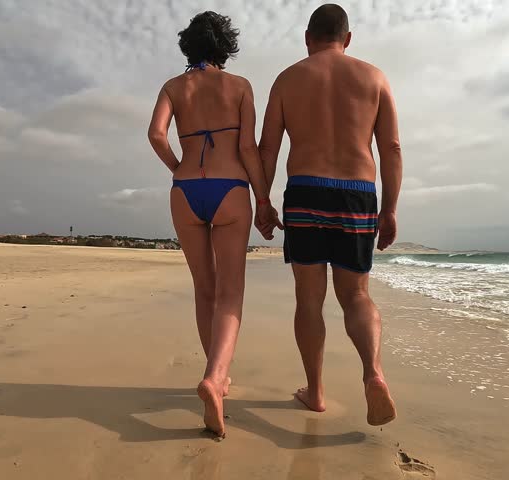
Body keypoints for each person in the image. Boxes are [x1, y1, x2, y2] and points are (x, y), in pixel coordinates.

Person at [257, 3, 402, 426]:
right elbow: (391, 148)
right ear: (348, 38)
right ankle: (373, 372)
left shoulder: (287, 79)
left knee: (309, 299)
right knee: (356, 296)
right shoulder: (374, 78)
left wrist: (262, 202)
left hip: (305, 191)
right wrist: (390, 208)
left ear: (307, 39)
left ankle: (316, 392)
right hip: (358, 193)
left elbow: (268, 148)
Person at [147, 11, 280, 437]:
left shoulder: (174, 87)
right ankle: (215, 377)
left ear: (188, 46)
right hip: (230, 189)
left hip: (185, 191)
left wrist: (178, 168)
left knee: (204, 289)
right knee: (231, 293)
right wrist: (263, 200)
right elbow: (247, 148)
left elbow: (155, 134)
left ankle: (216, 377)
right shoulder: (239, 86)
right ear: (226, 46)